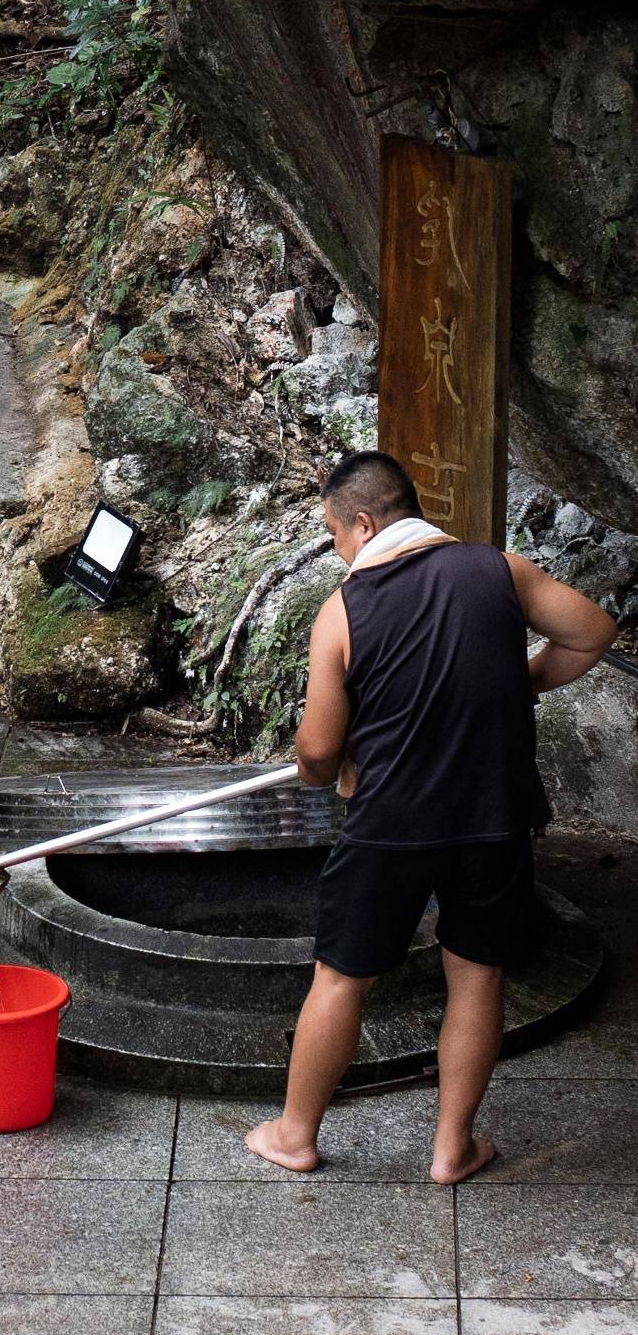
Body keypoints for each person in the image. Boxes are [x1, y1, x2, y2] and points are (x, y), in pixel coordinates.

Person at [246, 450, 616, 1183]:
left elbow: (318, 753)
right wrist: (520, 682)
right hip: (494, 817)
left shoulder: (342, 612)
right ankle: (452, 1147)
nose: (339, 552)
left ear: (363, 521)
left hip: (389, 823)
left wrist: (320, 762)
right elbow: (592, 632)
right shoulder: (499, 571)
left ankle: (294, 1134)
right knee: (478, 977)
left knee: (342, 976)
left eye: (335, 535)